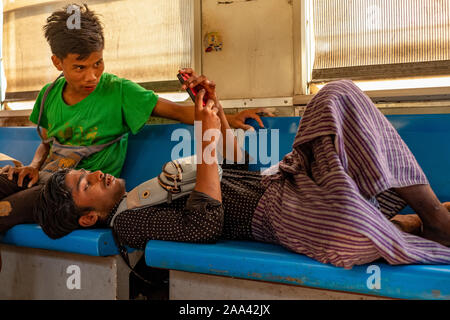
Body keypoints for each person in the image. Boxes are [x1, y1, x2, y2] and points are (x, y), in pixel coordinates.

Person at [34, 75, 450, 269]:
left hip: (283, 177)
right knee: (350, 234)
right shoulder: (128, 223)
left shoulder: (147, 186)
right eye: (84, 185)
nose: (95, 175)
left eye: (86, 173)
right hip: (275, 213)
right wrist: (207, 141)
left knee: (337, 94)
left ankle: (434, 220)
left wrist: (211, 112)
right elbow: (205, 224)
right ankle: (407, 222)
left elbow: (238, 166)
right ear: (89, 217)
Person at [0, 4, 270, 235]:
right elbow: (46, 143)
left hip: (75, 196)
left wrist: (228, 117)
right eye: (80, 68)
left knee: (4, 212)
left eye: (98, 64)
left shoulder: (119, 91)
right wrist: (33, 166)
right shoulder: (49, 95)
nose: (92, 76)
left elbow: (177, 112)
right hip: (46, 178)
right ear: (58, 63)